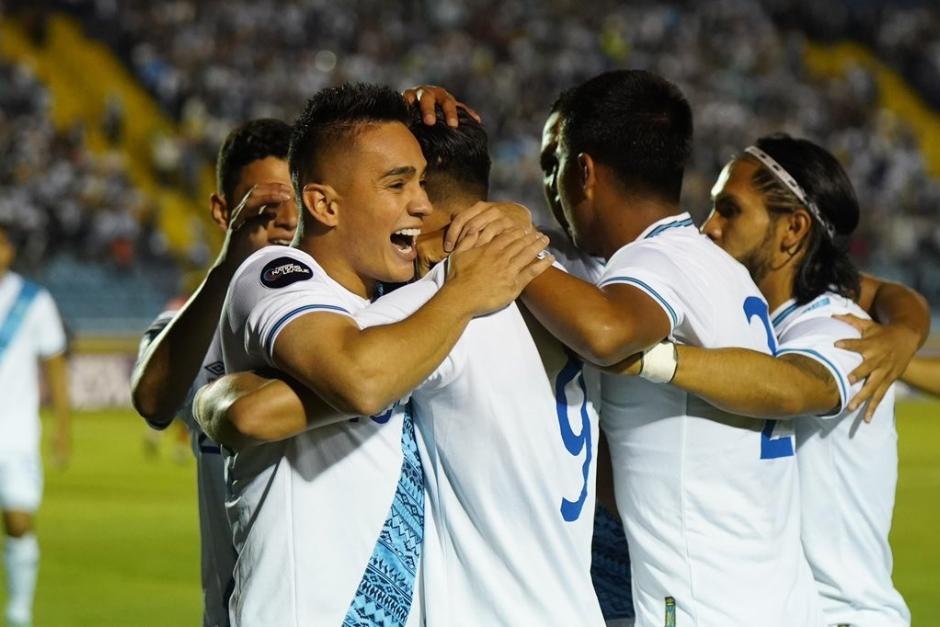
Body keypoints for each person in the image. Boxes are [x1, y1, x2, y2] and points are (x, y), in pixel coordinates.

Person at [207, 82, 549, 626]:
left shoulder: (394, 305)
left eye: (420, 180)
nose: (421, 202)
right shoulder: (281, 277)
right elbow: (363, 381)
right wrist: (463, 290)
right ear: (322, 203)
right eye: (397, 183)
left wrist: (503, 215)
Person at [519, 70, 823, 625]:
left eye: (553, 166)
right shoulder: (719, 266)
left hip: (704, 600)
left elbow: (607, 333)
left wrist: (505, 249)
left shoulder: (653, 262)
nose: (549, 186)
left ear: (583, 171)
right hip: (773, 591)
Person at [613, 135, 923, 626]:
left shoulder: (837, 327)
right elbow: (885, 291)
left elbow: (796, 387)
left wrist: (642, 358)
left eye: (730, 210)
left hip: (843, 615)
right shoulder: (762, 323)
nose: (708, 227)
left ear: (793, 229)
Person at [131, 117, 299, 627]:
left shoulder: (360, 315)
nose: (283, 218)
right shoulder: (186, 332)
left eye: (295, 196)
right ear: (223, 211)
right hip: (234, 614)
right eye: (262, 203)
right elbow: (154, 401)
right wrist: (230, 266)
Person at [0, 221, 70, 627]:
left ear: (12, 250)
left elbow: (54, 364)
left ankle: (19, 608)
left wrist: (63, 427)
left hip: (16, 433)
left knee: (18, 518)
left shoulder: (33, 300)